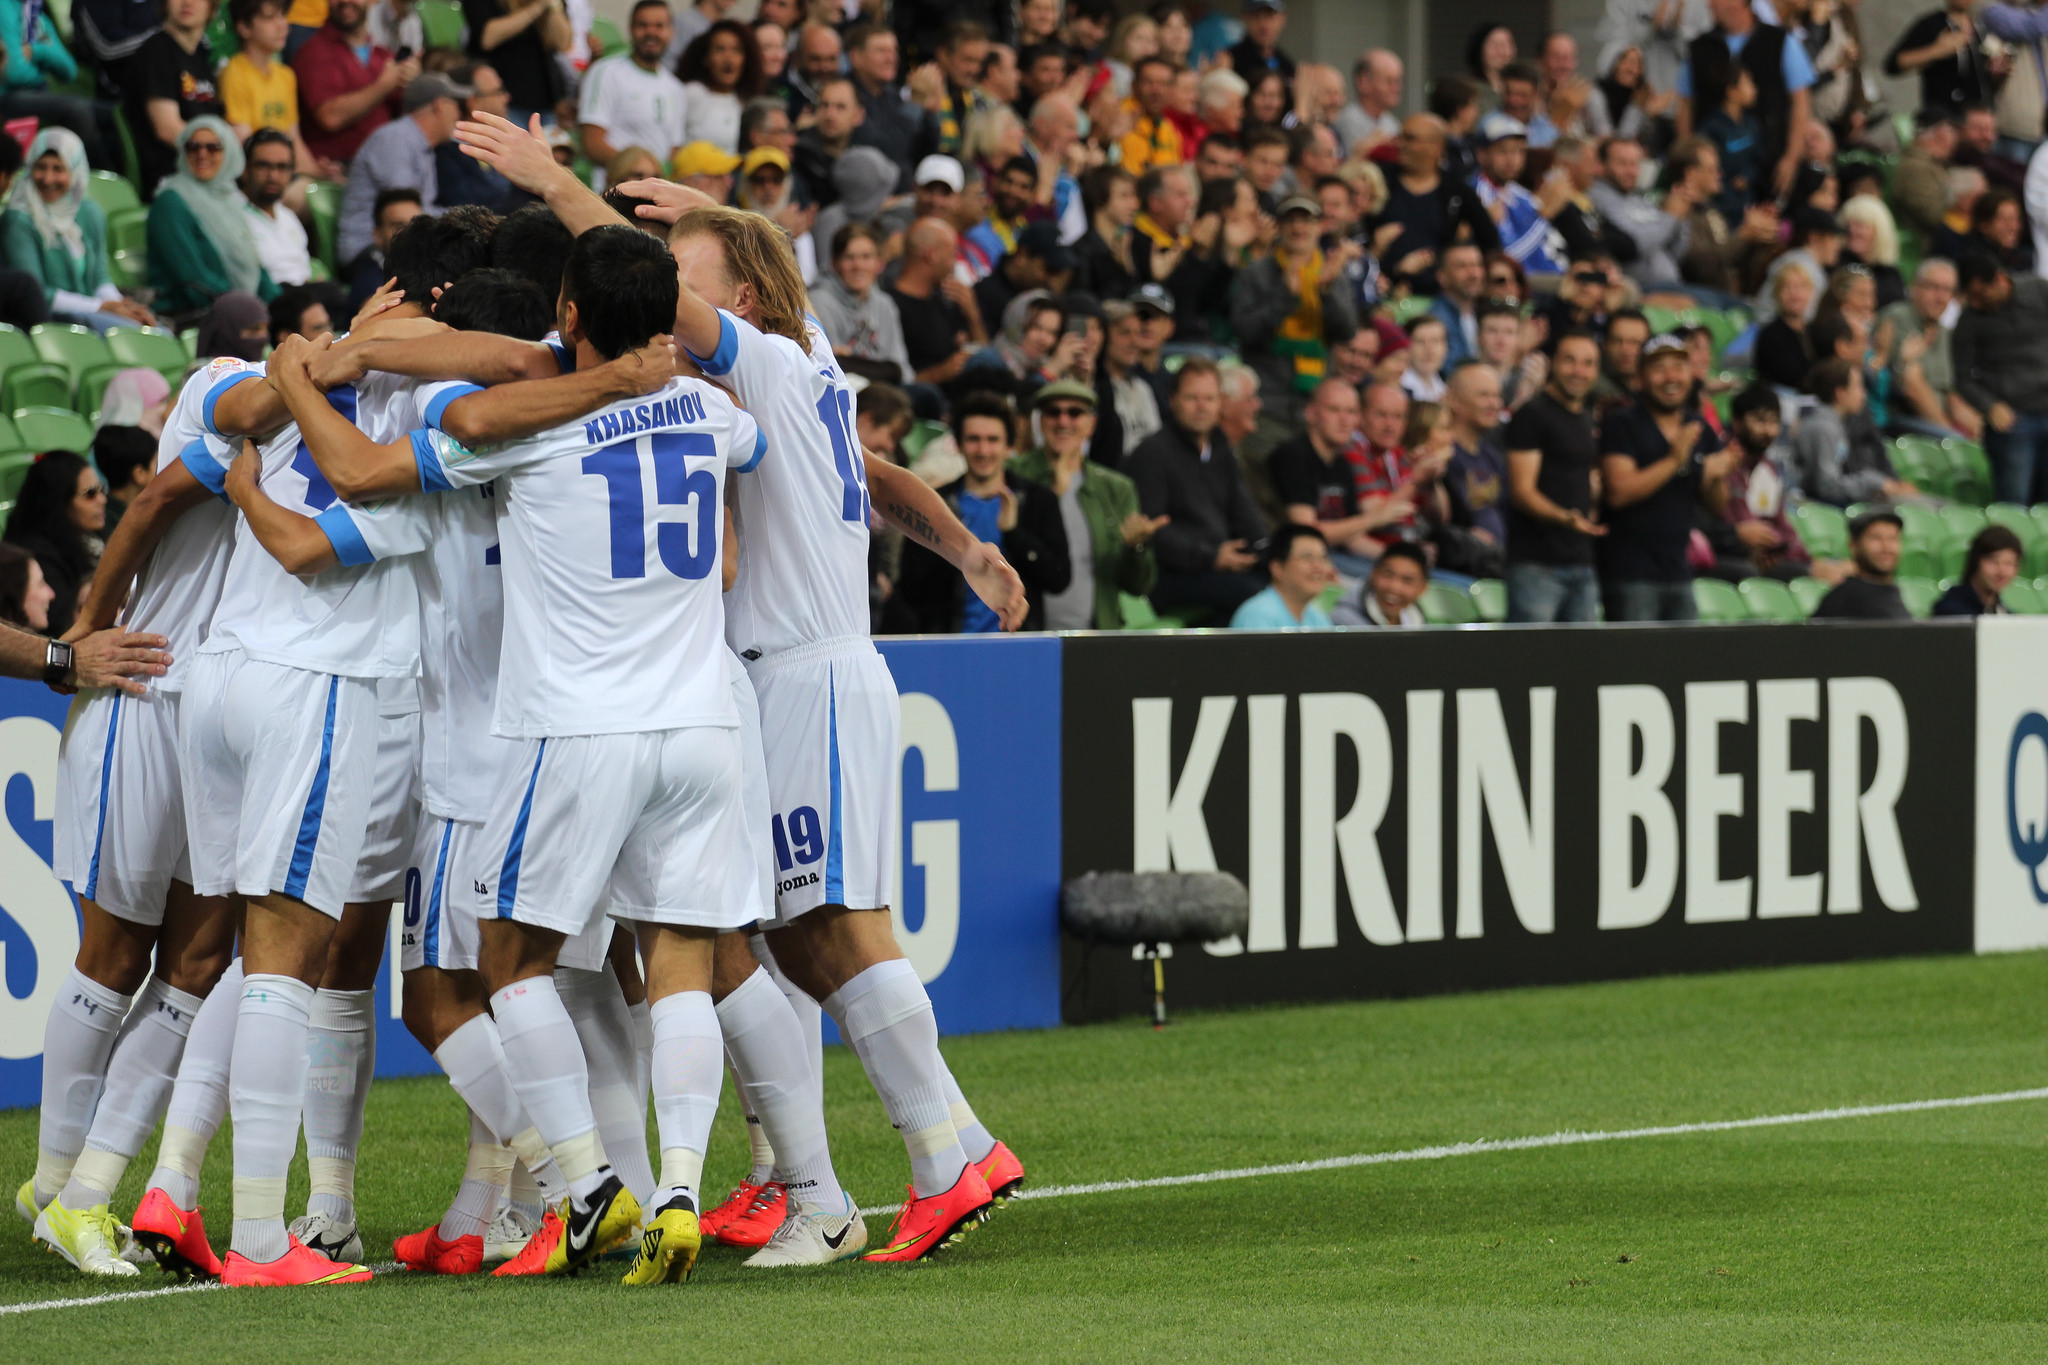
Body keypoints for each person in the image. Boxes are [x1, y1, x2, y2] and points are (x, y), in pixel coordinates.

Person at [458, 114, 1035, 1260]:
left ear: (748, 307)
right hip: (790, 674)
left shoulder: (765, 361)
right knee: (782, 938)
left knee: (828, 931)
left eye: (698, 281)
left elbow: (638, 298)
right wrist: (962, 549)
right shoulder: (803, 367)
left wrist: (557, 182)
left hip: (796, 673)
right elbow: (866, 473)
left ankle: (942, 1153)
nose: (674, 293)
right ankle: (860, 1172)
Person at [894, 393, 1070, 632]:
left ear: (1009, 446)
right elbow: (911, 588)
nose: (983, 450)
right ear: (959, 444)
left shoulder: (1038, 500)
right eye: (974, 439)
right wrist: (955, 550)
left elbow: (1058, 579)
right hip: (949, 647)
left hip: (1018, 647)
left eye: (993, 440)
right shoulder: (936, 502)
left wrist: (1014, 533)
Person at [1596, 333, 1731, 621]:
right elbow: (1618, 492)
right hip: (1630, 574)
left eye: (1678, 367)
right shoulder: (1622, 424)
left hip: (1679, 570)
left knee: (1682, 663)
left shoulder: (1698, 427)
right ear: (1641, 377)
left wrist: (1717, 478)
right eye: (1659, 369)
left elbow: (1717, 506)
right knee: (1635, 662)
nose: (1671, 377)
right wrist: (1673, 460)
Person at [1009, 379, 1162, 628]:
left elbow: (1138, 586)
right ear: (1040, 422)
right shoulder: (1013, 475)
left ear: (1092, 424)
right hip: (1026, 633)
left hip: (1095, 635)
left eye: (1075, 413)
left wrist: (1137, 549)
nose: (1063, 421)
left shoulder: (1116, 488)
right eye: (1053, 412)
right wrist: (1053, 493)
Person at [1124, 357, 1267, 617]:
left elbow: (1245, 513)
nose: (1201, 407)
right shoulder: (1152, 453)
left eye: (1209, 399)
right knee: (1253, 594)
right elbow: (1153, 530)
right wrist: (1211, 556)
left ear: (1220, 404)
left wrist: (1276, 555)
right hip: (1171, 576)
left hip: (1218, 565)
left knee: (1281, 582)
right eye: (1192, 398)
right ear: (1172, 400)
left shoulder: (1221, 448)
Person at [2, 129, 155, 333]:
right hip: (55, 318)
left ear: (76, 171)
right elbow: (38, 295)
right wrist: (102, 307)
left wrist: (124, 307)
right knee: (131, 335)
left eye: (58, 169)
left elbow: (100, 277)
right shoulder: (18, 219)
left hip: (92, 311)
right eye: (41, 167)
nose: (48, 179)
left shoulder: (89, 212)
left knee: (156, 331)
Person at [1230, 193, 1358, 426]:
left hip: (1316, 404)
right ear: (1279, 227)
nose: (1298, 228)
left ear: (1320, 226)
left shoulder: (1331, 274)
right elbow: (1244, 331)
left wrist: (1325, 291)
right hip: (1267, 402)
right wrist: (1286, 298)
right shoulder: (1256, 273)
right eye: (1290, 221)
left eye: (1306, 220)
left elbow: (1347, 331)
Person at [1505, 329, 1606, 623]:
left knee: (1581, 664)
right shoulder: (1532, 415)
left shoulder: (1586, 417)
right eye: (1570, 361)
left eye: (1588, 363)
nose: (1579, 371)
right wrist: (1567, 518)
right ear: (1552, 363)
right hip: (1536, 565)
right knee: (1531, 663)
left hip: (1581, 562)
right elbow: (1522, 492)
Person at [1676, 0, 1814, 200]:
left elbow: (1801, 104)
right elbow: (1685, 105)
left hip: (1768, 168)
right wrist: (1686, 161)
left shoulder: (1780, 41)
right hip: (1712, 176)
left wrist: (1791, 159)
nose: (1710, 4)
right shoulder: (1700, 47)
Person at [147, 119, 278, 321]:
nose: (202, 154)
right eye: (193, 146)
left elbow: (252, 264)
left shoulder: (230, 200)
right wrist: (245, 308)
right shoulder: (171, 202)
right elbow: (192, 277)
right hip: (195, 312)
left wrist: (280, 304)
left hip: (238, 308)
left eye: (213, 147)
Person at [1264, 376, 1394, 577]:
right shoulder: (1293, 456)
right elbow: (1306, 531)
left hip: (1340, 556)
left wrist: (1397, 555)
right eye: (1334, 410)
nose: (1344, 420)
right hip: (1304, 561)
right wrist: (1371, 519)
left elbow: (1352, 538)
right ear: (1311, 413)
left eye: (1351, 412)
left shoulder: (1342, 463)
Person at [336, 74, 469, 263]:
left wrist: (467, 218)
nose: (458, 114)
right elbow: (404, 209)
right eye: (456, 105)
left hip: (405, 245)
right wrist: (460, 221)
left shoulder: (422, 146)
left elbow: (422, 209)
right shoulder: (395, 139)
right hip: (368, 249)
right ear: (439, 104)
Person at [1953, 252, 2048, 504]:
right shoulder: (1970, 320)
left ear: (2000, 279)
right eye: (1971, 297)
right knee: (2014, 501)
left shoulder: (2039, 291)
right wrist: (1989, 406)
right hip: (2012, 419)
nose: (1976, 302)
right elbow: (1962, 378)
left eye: (1981, 294)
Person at [1371, 113, 1498, 290]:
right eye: (1399, 137)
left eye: (1409, 138)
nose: (1399, 144)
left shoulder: (1456, 191)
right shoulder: (1380, 180)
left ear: (1436, 146)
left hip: (1438, 293)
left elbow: (1491, 242)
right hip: (1383, 289)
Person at [1715, 381, 1821, 582]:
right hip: (1727, 555)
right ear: (1737, 422)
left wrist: (1808, 562)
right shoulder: (1721, 462)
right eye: (1760, 421)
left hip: (1767, 558)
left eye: (1774, 422)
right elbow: (1733, 522)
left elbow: (1780, 524)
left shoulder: (1769, 469)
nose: (1768, 431)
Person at [578, 0, 689, 189]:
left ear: (671, 32)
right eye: (643, 25)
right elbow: (592, 142)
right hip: (611, 193)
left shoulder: (676, 88)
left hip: (656, 196)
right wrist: (639, 173)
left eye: (659, 26)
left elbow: (674, 150)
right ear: (630, 29)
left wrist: (652, 180)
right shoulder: (606, 72)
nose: (651, 32)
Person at [222, 0, 335, 181]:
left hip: (288, 174)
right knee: (313, 197)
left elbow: (294, 140)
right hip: (258, 178)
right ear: (243, 27)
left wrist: (317, 171)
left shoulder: (286, 76)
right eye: (270, 18)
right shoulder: (234, 74)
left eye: (282, 16)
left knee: (335, 190)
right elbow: (245, 147)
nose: (282, 25)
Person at [295, 0, 417, 167]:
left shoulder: (383, 56)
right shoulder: (314, 52)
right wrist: (384, 85)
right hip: (337, 167)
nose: (345, 1)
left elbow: (409, 116)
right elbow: (330, 117)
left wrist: (415, 81)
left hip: (385, 162)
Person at [126, 0, 228, 193]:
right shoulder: (156, 51)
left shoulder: (202, 61)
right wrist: (218, 156)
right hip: (171, 178)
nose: (187, 2)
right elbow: (167, 129)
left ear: (212, 8)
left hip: (205, 175)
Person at [1788, 357, 1916, 506]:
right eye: (1858, 387)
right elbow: (1826, 487)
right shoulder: (1824, 428)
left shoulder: (1835, 424)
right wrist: (1872, 483)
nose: (1863, 395)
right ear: (1840, 393)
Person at [1875, 257, 1977, 440]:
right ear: (1914, 288)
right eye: (1933, 287)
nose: (1941, 298)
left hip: (1937, 422)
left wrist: (1978, 427)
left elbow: (1949, 393)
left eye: (1947, 290)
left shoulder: (1945, 333)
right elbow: (1912, 388)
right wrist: (1952, 436)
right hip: (1902, 421)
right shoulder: (1898, 317)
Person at [3, 452, 104, 635]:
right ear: (59, 500)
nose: (102, 500)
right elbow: (59, 626)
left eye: (101, 490)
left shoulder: (89, 539)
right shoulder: (37, 556)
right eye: (90, 494)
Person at [0, 0, 109, 168]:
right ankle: (95, 178)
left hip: (37, 93)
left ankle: (120, 181)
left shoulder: (36, 12)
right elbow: (13, 72)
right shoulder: (4, 7)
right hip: (8, 96)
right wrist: (41, 73)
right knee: (78, 110)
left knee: (110, 113)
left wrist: (38, 51)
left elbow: (69, 70)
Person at [811, 223, 912, 388]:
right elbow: (832, 366)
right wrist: (887, 370)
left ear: (879, 263)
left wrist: (855, 361)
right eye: (849, 257)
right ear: (835, 264)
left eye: (866, 257)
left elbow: (901, 368)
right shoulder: (818, 302)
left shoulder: (884, 304)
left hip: (885, 386)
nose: (858, 266)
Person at [1589, 136, 1687, 286]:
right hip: (1637, 287)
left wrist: (1681, 217)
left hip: (1672, 284)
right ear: (1602, 164)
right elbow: (1634, 243)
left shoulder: (1640, 199)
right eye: (1623, 164)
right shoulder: (1598, 196)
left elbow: (1675, 251)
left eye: (1635, 164)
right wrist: (1669, 217)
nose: (1632, 171)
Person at [463, 0, 568, 126]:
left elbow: (563, 43)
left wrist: (553, 7)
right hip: (505, 99)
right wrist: (536, 7)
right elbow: (487, 38)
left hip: (544, 102)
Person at [1885, 0, 1993, 116]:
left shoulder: (1981, 27)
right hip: (1943, 114)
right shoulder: (1932, 24)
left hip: (1977, 114)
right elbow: (1895, 63)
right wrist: (1937, 50)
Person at [239, 128, 312, 289]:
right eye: (263, 166)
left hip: (302, 297)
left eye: (282, 167)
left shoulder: (289, 218)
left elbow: (304, 274)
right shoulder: (231, 216)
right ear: (245, 169)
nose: (273, 176)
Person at [1225, 522, 1332, 629]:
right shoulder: (1257, 615)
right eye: (1307, 557)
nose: (1318, 567)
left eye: (1322, 558)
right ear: (1278, 568)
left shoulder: (1317, 617)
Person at [676, 19, 761, 154]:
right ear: (706, 58)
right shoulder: (692, 93)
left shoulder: (747, 102)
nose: (729, 59)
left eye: (736, 50)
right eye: (720, 49)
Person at [1811, 509, 1911, 618]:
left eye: (1893, 538)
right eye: (1876, 538)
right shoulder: (1843, 599)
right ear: (1854, 545)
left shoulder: (1892, 593)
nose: (1886, 547)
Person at [344, 186, 421, 312]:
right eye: (398, 225)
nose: (410, 231)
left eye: (417, 224)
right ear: (378, 235)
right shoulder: (369, 278)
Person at [1333, 540, 1429, 627]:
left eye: (1407, 580)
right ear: (1373, 574)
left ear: (1422, 588)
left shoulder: (1419, 622)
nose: (1394, 587)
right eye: (1388, 575)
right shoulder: (1343, 622)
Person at [1935, 524, 2024, 615]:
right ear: (1975, 561)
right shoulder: (1950, 611)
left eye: (2009, 563)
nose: (2001, 571)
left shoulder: (2005, 613)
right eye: (1993, 562)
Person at [1754, 266, 1817, 392]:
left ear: (1810, 292)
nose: (1795, 294)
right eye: (1787, 288)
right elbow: (1792, 376)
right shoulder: (1770, 334)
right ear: (1777, 294)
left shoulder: (1815, 331)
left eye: (1801, 287)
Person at [1336, 48, 1402, 155]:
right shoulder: (1346, 122)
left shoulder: (1392, 123)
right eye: (1389, 82)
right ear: (1364, 82)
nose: (1397, 88)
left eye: (1398, 81)